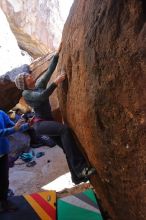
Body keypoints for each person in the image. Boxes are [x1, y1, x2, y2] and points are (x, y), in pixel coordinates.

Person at [15, 43, 96, 184]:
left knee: (66, 147)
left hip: (46, 121)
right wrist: (56, 83)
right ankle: (80, 169)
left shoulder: (37, 86)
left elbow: (48, 72)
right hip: (40, 125)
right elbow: (41, 97)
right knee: (64, 130)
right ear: (24, 83)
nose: (29, 75)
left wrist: (57, 54)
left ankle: (76, 178)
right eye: (26, 77)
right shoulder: (27, 93)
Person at [0, 110, 29, 213]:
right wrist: (13, 129)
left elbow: (16, 127)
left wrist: (28, 124)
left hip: (3, 153)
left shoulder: (1, 113)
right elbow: (3, 132)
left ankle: (4, 203)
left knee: (4, 180)